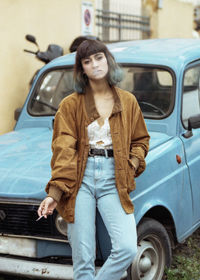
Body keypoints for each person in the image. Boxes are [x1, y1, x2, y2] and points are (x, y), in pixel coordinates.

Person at [37, 39, 150, 280]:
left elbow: (141, 140)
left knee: (128, 247)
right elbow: (63, 149)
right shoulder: (70, 105)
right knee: (83, 258)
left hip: (115, 178)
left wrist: (132, 163)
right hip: (81, 179)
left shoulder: (128, 101)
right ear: (82, 69)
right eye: (87, 61)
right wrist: (54, 193)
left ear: (108, 60)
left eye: (99, 58)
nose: (95, 65)